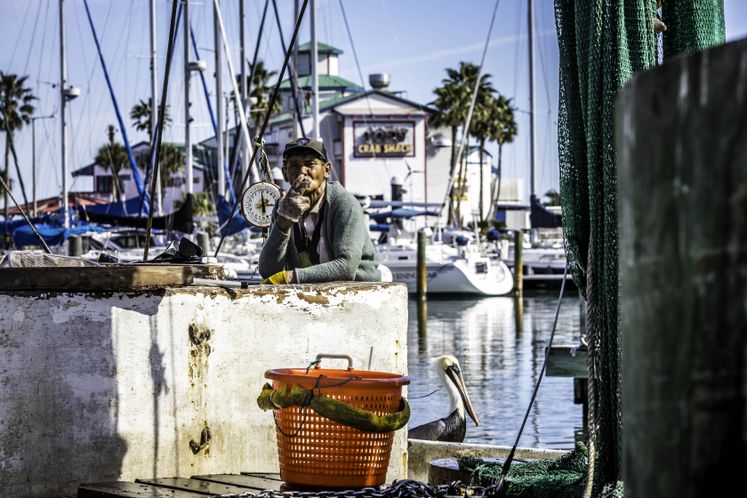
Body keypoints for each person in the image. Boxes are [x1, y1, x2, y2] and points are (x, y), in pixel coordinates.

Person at [258, 137, 381, 284]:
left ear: (326, 170)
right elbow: (267, 270)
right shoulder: (282, 206)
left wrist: (291, 277)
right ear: (285, 173)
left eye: (310, 164)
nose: (302, 171)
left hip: (358, 289)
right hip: (311, 292)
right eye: (294, 165)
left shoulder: (344, 203)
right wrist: (283, 222)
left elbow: (346, 267)